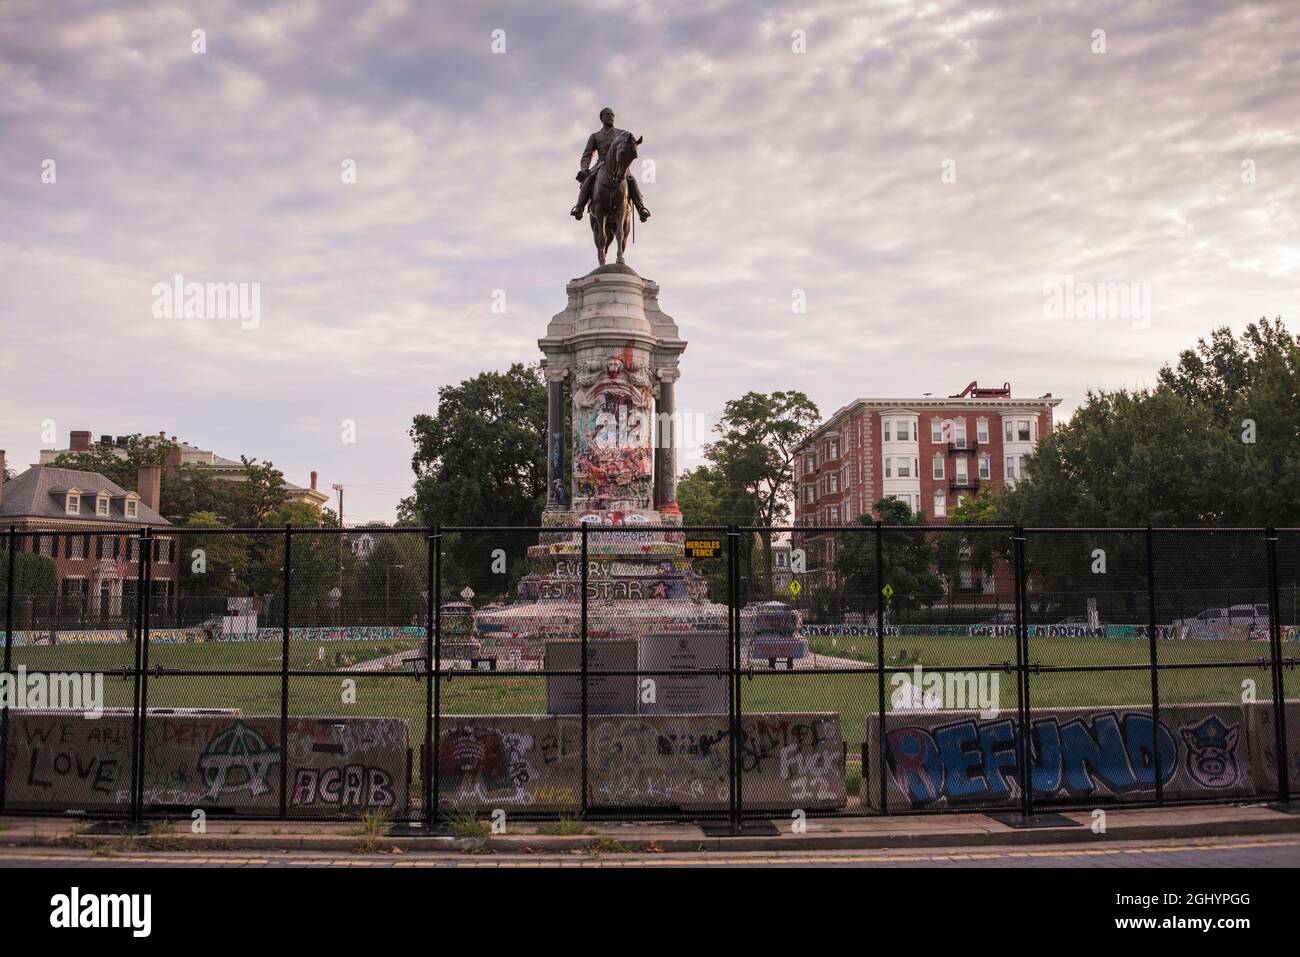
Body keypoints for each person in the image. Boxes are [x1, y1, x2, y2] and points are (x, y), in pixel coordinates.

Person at [570, 107, 651, 222]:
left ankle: (641, 208)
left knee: (631, 179)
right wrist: (584, 168)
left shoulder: (622, 134)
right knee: (588, 180)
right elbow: (587, 155)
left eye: (612, 115)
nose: (610, 116)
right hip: (601, 164)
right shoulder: (595, 136)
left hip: (619, 165)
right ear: (601, 118)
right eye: (607, 114)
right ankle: (579, 207)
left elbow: (630, 146)